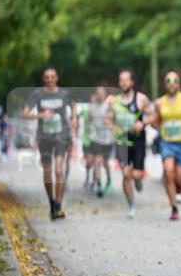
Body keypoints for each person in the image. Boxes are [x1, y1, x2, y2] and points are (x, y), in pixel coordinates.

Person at [21, 67, 78, 220]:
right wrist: (41, 115)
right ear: (43, 79)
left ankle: (59, 205)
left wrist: (73, 120)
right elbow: (24, 113)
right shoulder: (38, 94)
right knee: (47, 170)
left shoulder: (64, 93)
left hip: (62, 135)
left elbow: (73, 106)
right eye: (47, 77)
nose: (50, 79)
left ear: (57, 78)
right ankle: (51, 202)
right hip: (44, 136)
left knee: (59, 169)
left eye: (53, 76)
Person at [150, 71, 181, 220]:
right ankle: (174, 208)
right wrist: (155, 125)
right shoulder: (159, 103)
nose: (171, 82)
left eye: (174, 80)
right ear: (165, 85)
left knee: (179, 178)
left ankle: (179, 189)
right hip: (166, 143)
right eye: (168, 80)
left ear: (179, 84)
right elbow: (155, 120)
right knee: (168, 172)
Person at [110, 70, 152, 218]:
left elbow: (153, 116)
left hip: (138, 140)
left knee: (136, 175)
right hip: (122, 142)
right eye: (121, 80)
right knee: (126, 174)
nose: (124, 83)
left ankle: (139, 180)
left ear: (132, 82)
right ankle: (132, 204)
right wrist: (114, 128)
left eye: (126, 80)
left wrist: (143, 123)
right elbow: (108, 120)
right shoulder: (115, 102)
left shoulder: (141, 99)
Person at [88, 86, 115, 196]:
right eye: (98, 93)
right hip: (96, 138)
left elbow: (113, 121)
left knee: (105, 162)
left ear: (105, 95)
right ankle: (98, 184)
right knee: (97, 160)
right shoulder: (92, 107)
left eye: (102, 93)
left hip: (108, 139)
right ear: (96, 94)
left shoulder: (108, 106)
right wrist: (89, 129)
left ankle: (108, 179)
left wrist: (110, 121)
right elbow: (89, 119)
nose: (100, 95)